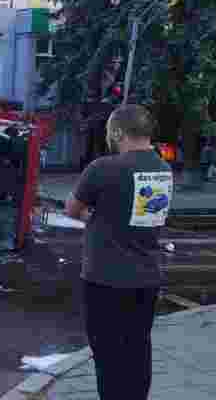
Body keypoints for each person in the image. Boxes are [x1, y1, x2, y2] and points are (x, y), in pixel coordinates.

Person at [65, 105, 173, 400]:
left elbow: (73, 209)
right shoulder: (164, 171)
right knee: (138, 349)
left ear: (117, 133)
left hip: (105, 279)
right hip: (147, 278)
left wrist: (95, 218)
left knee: (108, 355)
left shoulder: (102, 168)